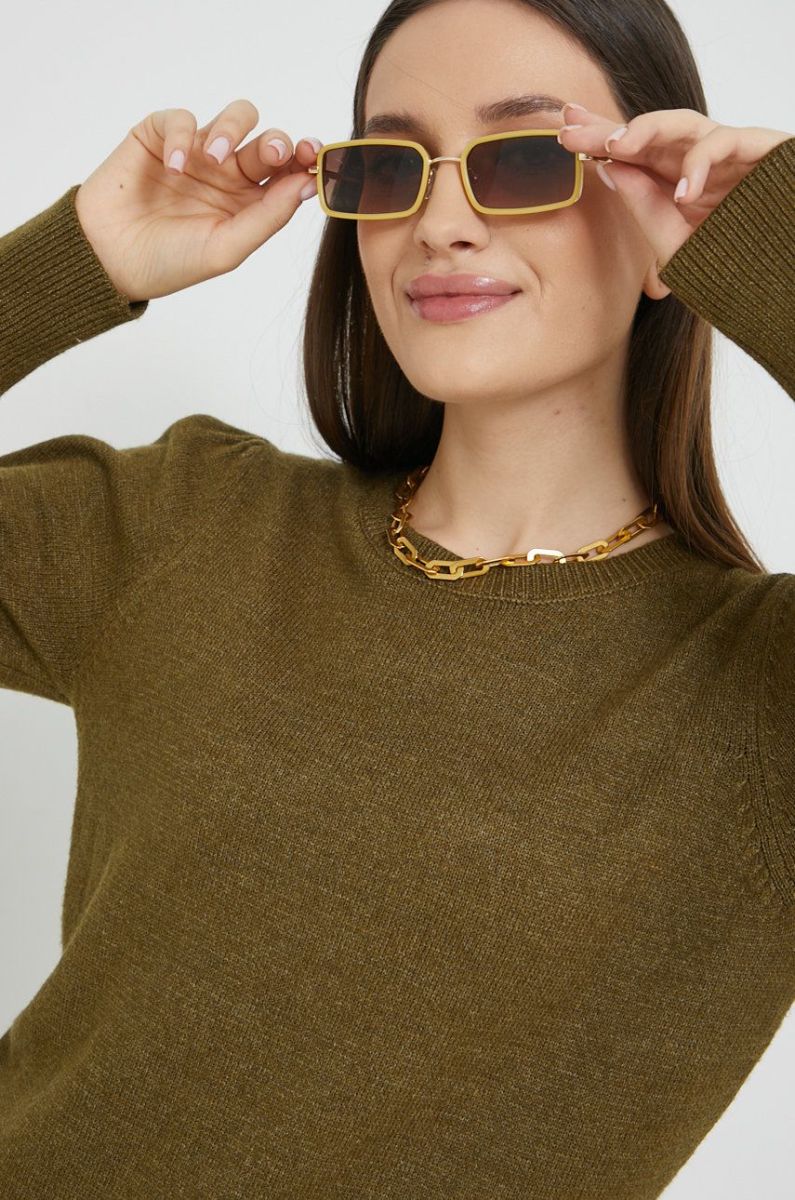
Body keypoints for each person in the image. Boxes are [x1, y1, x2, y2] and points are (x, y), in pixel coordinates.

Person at [0, 0, 792, 1196]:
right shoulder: (188, 522)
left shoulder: (759, 699)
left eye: (527, 158)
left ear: (671, 223)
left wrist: (782, 255)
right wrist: (72, 261)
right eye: (391, 167)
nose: (440, 222)